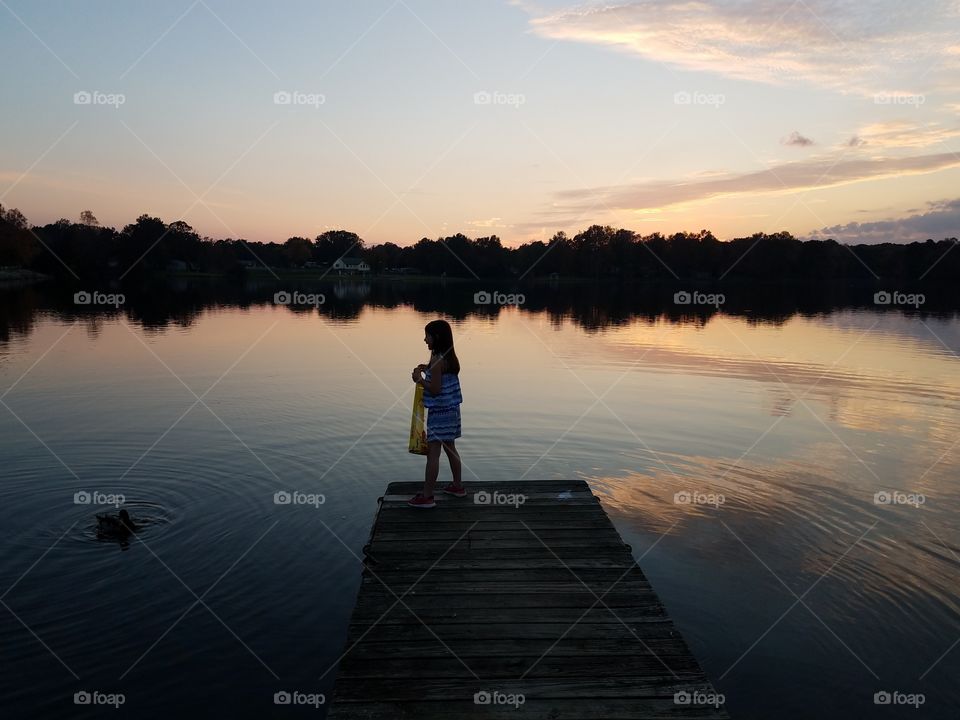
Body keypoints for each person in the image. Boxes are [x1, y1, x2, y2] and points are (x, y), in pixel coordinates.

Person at [408, 319, 464, 508]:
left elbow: (435, 389)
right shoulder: (446, 357)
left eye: (427, 336)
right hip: (452, 411)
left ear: (436, 337)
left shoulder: (438, 359)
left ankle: (427, 496)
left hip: (440, 413)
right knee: (450, 448)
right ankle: (457, 486)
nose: (425, 339)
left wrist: (419, 380)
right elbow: (439, 375)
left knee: (433, 454)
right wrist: (427, 367)